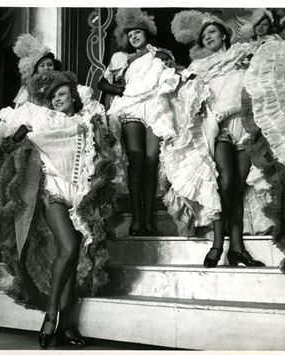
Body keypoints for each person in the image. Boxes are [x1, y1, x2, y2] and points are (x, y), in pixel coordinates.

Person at [0, 70, 116, 349]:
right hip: (54, 193)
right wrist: (20, 135)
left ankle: (68, 326)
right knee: (68, 248)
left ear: (73, 95)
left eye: (62, 94)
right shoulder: (46, 122)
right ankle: (51, 314)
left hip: (81, 195)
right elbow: (15, 135)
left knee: (74, 257)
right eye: (53, 96)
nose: (57, 99)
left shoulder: (86, 121)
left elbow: (105, 149)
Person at [165, 10, 271, 267]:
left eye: (211, 31)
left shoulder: (243, 53)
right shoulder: (200, 66)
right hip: (219, 126)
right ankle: (218, 243)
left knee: (238, 186)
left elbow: (263, 73)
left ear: (224, 33)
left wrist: (252, 65)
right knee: (224, 182)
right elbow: (184, 92)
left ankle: (236, 248)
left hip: (244, 124)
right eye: (203, 36)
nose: (208, 37)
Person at [98, 8, 179, 236]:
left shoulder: (161, 54)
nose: (133, 36)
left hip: (155, 107)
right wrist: (121, 89)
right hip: (132, 106)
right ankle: (136, 218)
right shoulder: (123, 59)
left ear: (146, 32)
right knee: (136, 160)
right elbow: (102, 84)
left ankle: (148, 219)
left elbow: (175, 76)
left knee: (152, 160)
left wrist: (169, 63)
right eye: (129, 34)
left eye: (137, 32)